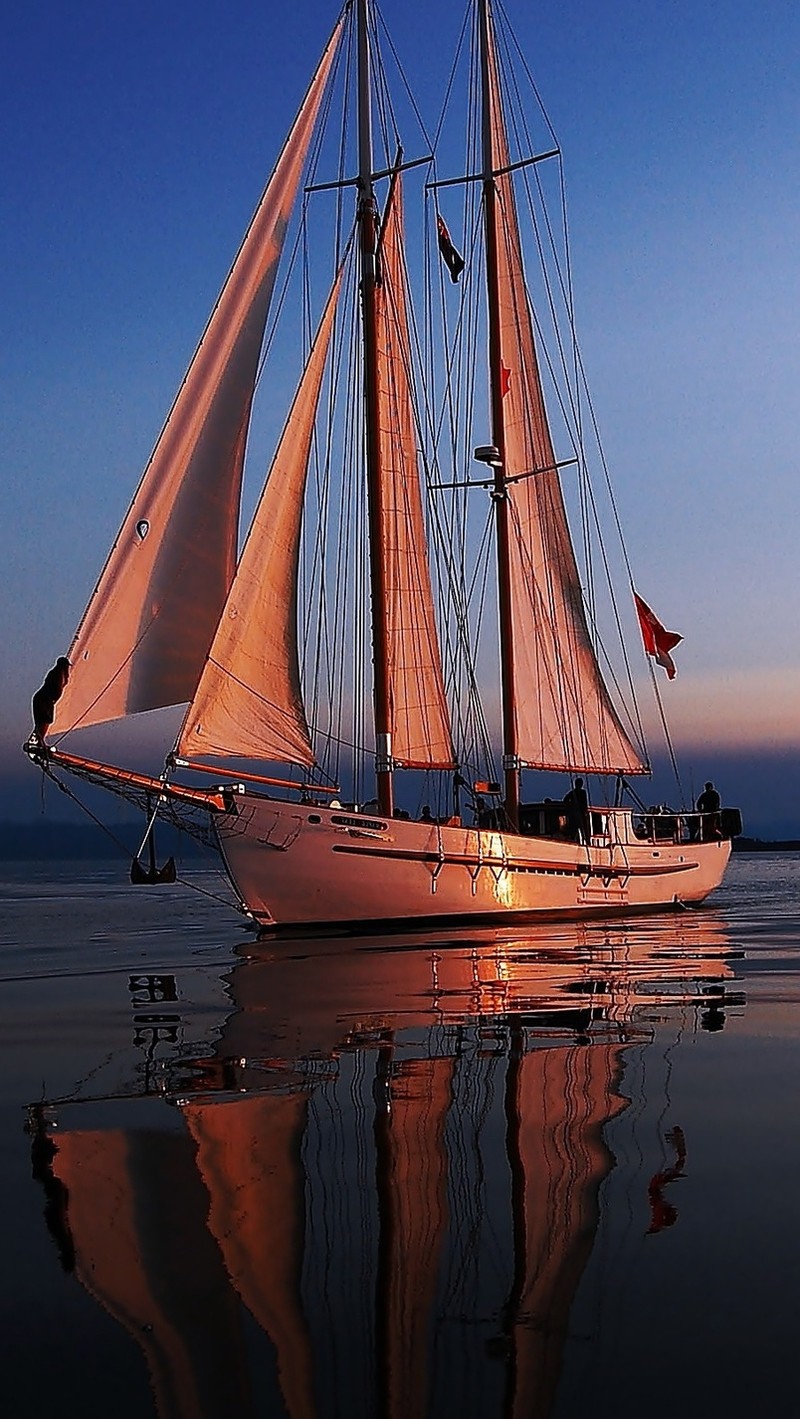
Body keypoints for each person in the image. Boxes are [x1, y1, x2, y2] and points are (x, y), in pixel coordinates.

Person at [31, 657, 70, 745]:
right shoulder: (58, 674)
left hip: (43, 699)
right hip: (44, 700)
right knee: (44, 720)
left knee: (43, 721)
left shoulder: (57, 673)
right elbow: (57, 689)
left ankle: (39, 742)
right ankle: (39, 742)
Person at [564, 777, 590, 844]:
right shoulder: (573, 793)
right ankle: (573, 840)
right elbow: (565, 799)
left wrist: (584, 811)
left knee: (584, 829)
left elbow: (585, 803)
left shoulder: (582, 793)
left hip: (581, 813)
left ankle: (587, 841)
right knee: (574, 829)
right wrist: (572, 805)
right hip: (575, 814)